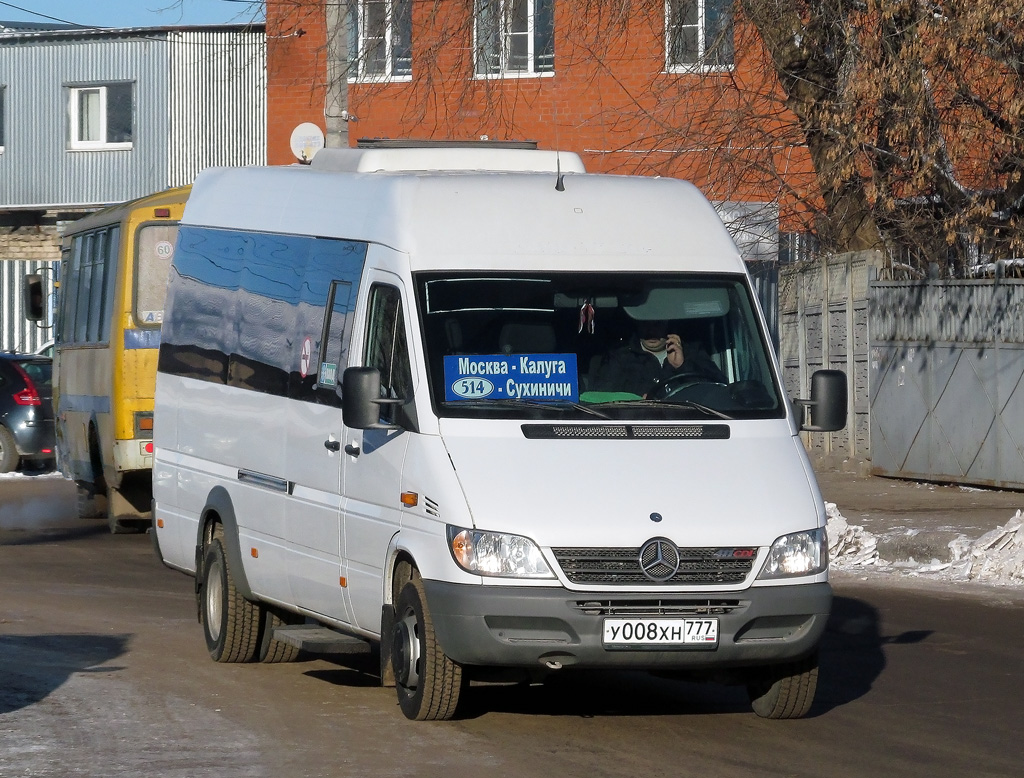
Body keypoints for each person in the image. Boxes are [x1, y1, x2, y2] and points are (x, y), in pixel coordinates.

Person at [590, 319, 726, 397]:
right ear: (637, 325)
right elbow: (602, 397)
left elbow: (719, 391)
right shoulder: (620, 357)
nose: (651, 330)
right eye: (645, 323)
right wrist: (634, 404)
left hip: (685, 422)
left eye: (657, 324)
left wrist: (682, 366)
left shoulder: (692, 351)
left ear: (668, 324)